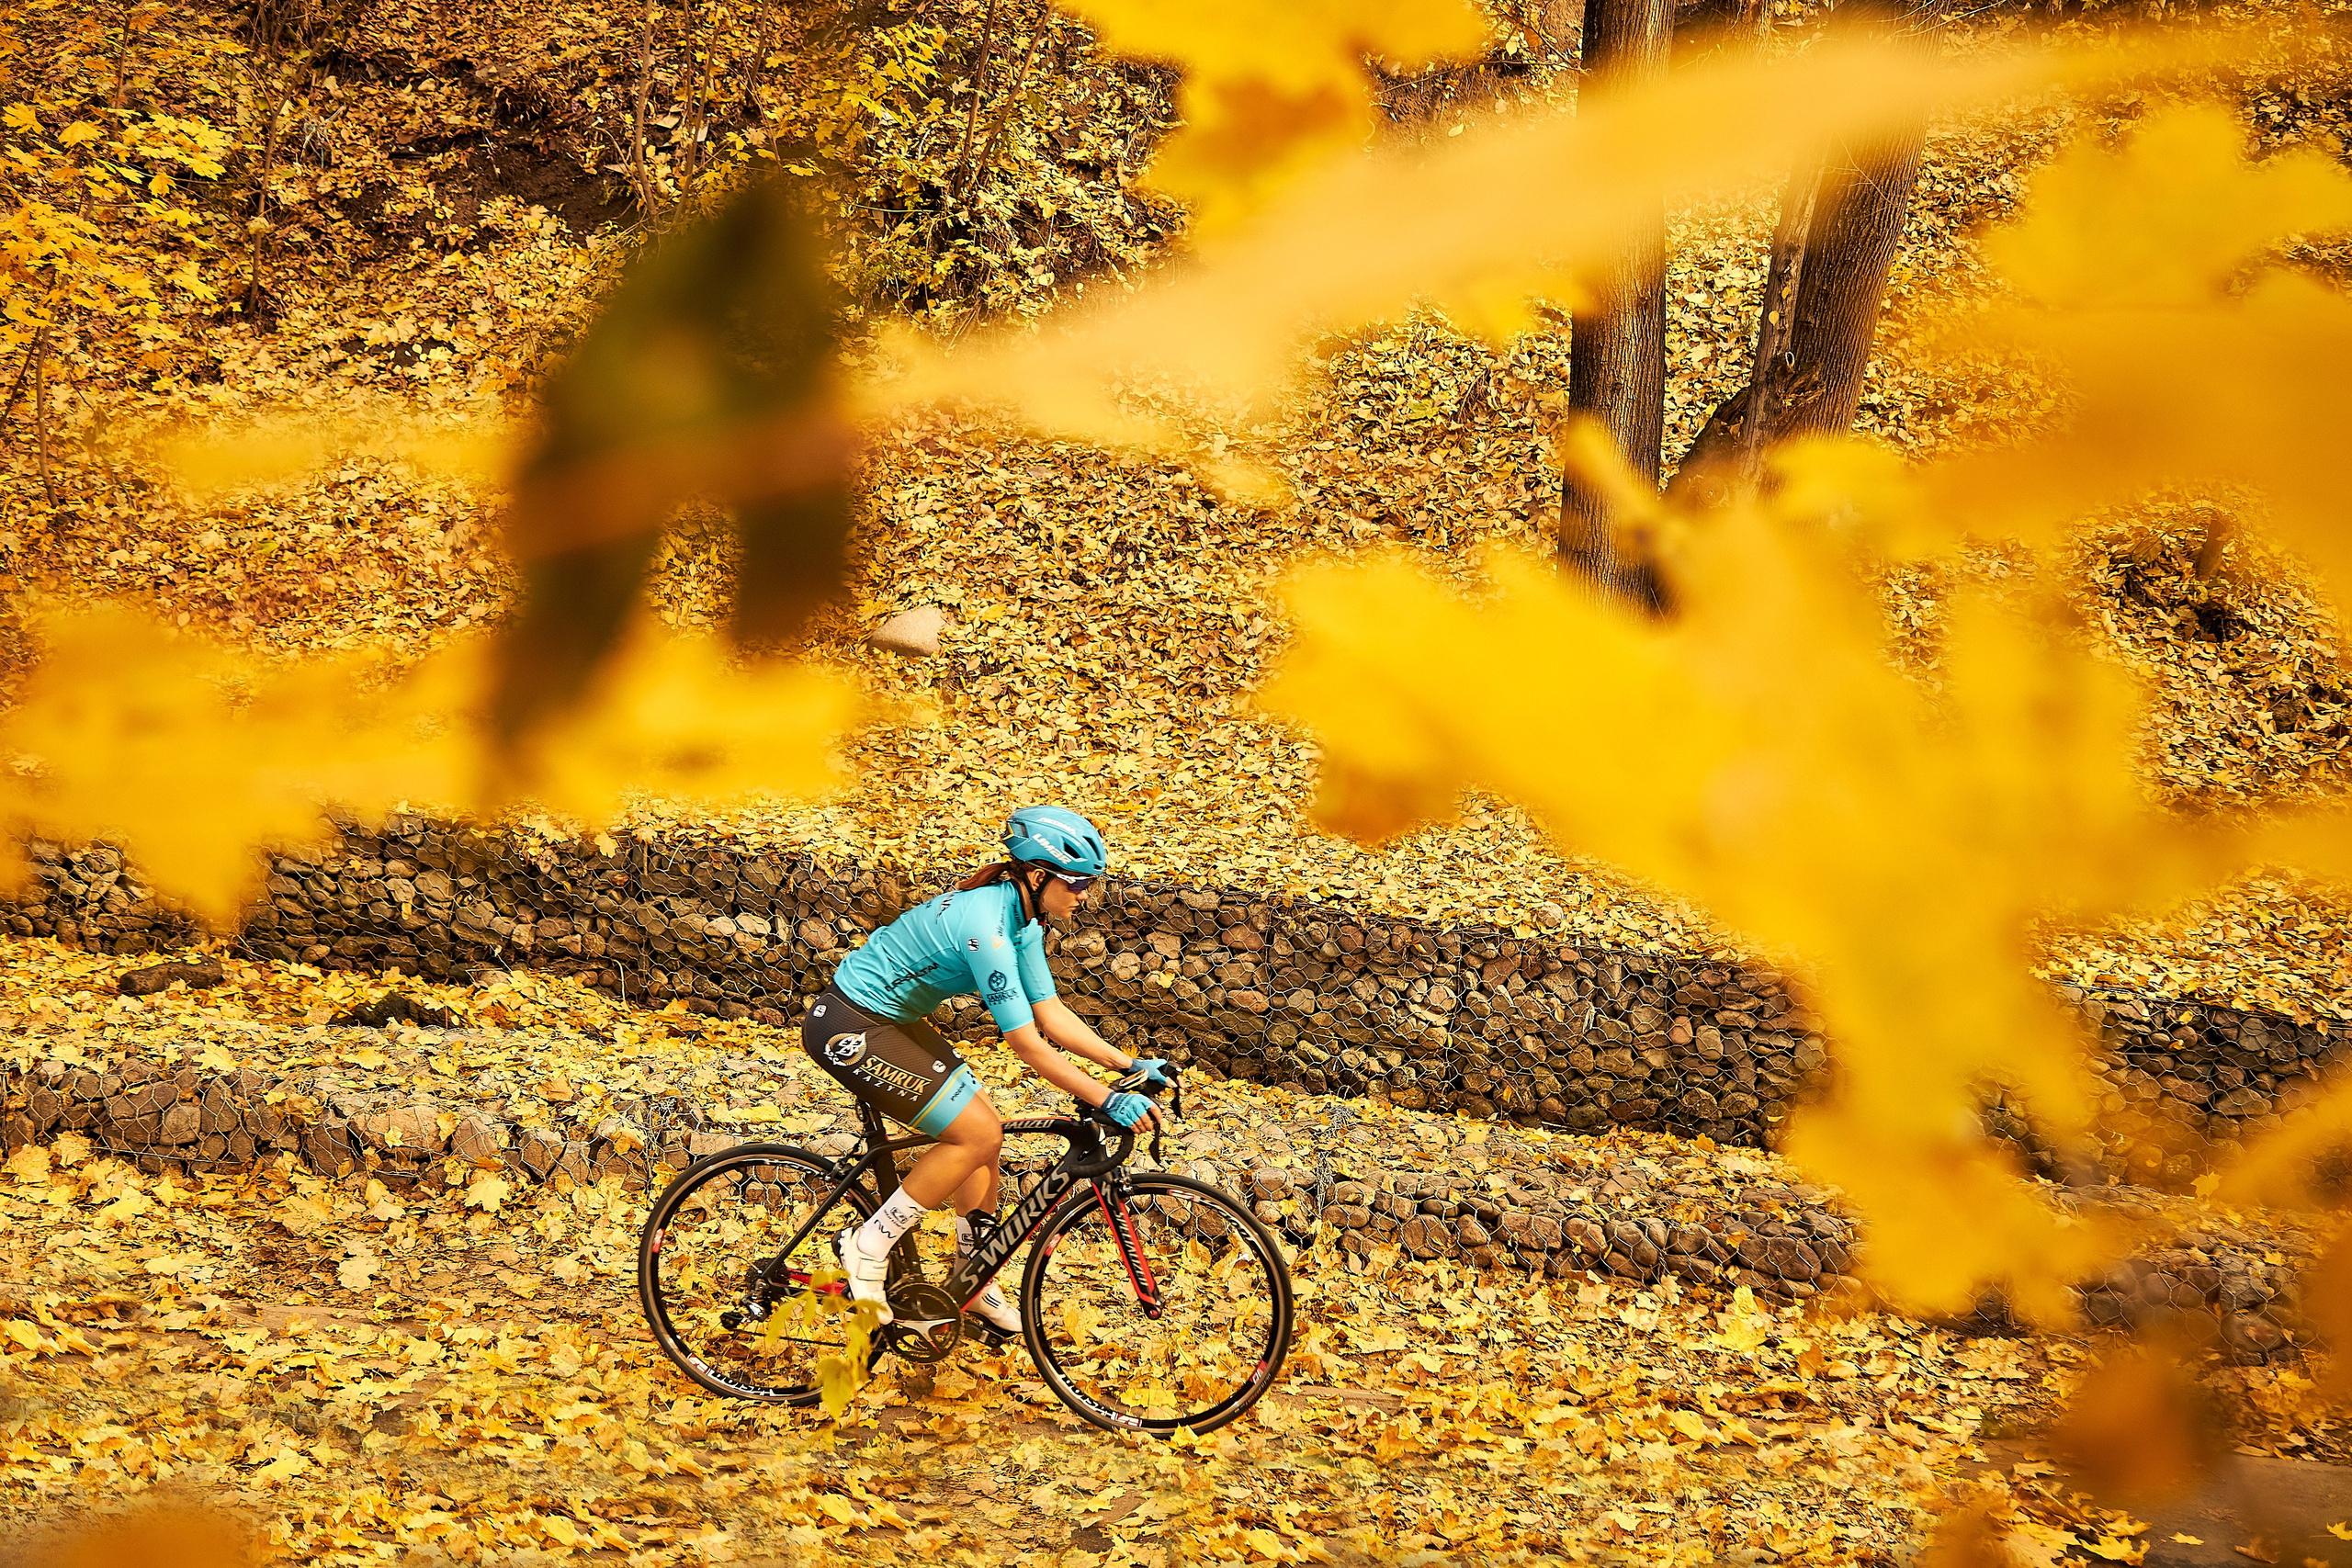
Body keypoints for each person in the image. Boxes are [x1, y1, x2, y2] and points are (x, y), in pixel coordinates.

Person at [802, 806, 1171, 1333]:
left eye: (1091, 883)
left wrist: (1127, 1064)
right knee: (975, 1134)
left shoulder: (1023, 920)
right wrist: (1106, 1099)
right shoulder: (988, 929)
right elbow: (1026, 1043)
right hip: (849, 1023)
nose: (1084, 894)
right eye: (1076, 882)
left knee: (987, 1134)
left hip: (891, 1019)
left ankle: (970, 1278)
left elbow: (1050, 1013)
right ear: (1037, 875)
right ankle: (869, 1243)